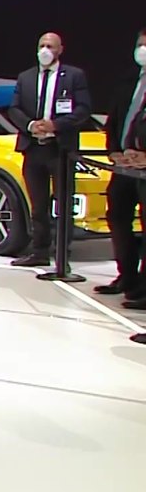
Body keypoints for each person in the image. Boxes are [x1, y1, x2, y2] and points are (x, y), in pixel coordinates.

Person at [6, 32, 92, 268]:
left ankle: (63, 252)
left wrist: (55, 125)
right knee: (38, 204)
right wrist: (31, 125)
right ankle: (39, 251)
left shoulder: (74, 76)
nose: (45, 50)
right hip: (33, 148)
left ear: (60, 50)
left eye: (50, 46)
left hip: (60, 149)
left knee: (64, 202)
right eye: (42, 45)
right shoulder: (26, 77)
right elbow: (14, 109)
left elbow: (83, 109)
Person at [100, 30, 146, 303]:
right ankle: (126, 276)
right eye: (140, 44)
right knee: (117, 218)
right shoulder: (128, 81)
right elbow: (115, 120)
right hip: (124, 167)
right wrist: (115, 152)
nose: (142, 50)